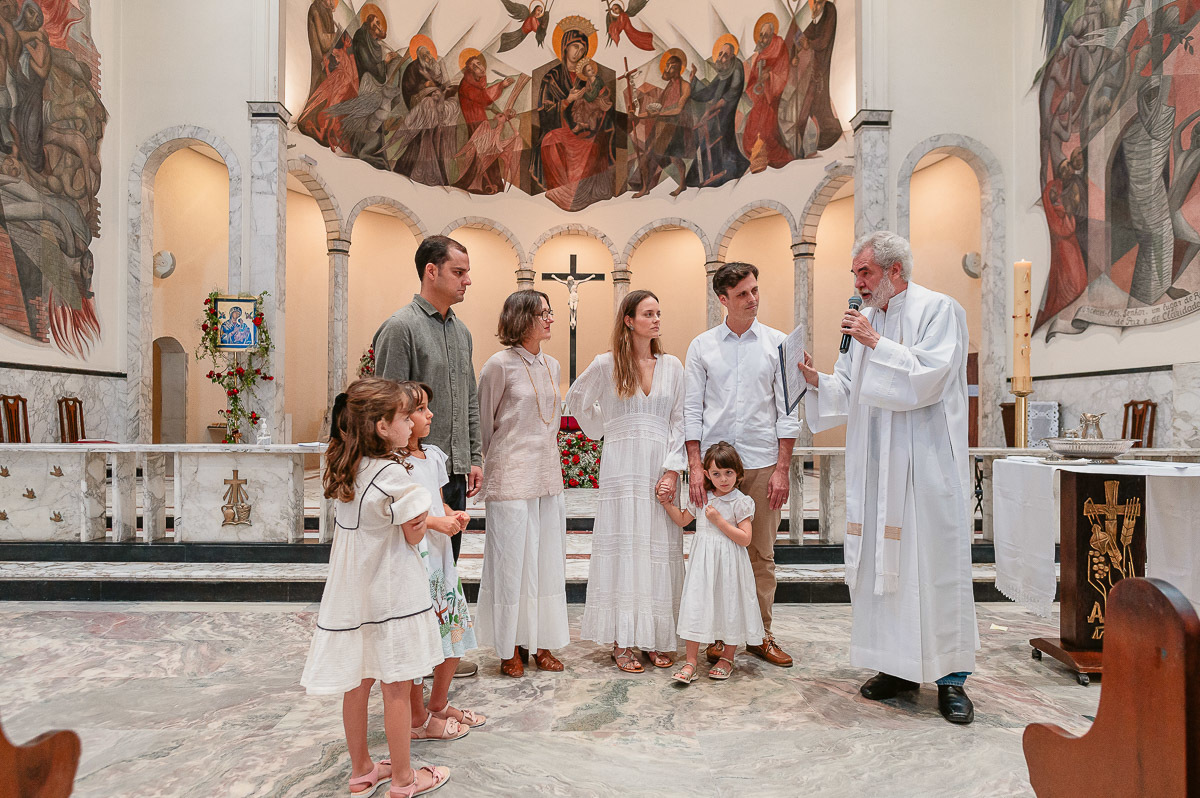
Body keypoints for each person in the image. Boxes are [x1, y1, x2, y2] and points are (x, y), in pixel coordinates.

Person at [798, 230, 979, 725]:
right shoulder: (866, 320)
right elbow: (851, 387)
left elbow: (930, 377)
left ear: (895, 270)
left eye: (865, 272)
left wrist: (875, 342)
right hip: (878, 462)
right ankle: (896, 668)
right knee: (883, 566)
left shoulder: (939, 310)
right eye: (856, 273)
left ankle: (950, 678)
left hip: (922, 465)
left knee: (931, 565)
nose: (857, 282)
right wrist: (818, 381)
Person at [300, 378, 450, 798]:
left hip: (351, 594)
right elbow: (414, 537)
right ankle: (404, 779)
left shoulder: (346, 465)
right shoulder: (393, 476)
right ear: (383, 427)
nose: (409, 425)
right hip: (390, 593)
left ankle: (362, 769)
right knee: (397, 686)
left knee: (357, 682)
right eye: (404, 418)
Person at [373, 235, 483, 679]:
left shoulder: (461, 331)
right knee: (411, 567)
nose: (467, 280)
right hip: (410, 472)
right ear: (431, 272)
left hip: (450, 469)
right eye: (459, 272)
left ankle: (438, 655)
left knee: (443, 567)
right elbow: (385, 406)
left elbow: (470, 400)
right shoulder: (400, 328)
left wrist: (473, 455)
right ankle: (408, 660)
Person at [683, 261, 799, 668]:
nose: (752, 299)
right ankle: (717, 636)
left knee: (761, 555)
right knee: (714, 553)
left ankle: (761, 634)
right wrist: (696, 468)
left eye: (754, 290)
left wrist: (783, 468)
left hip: (764, 462)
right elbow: (692, 411)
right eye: (742, 294)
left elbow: (788, 411)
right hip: (716, 469)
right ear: (722, 300)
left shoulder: (778, 344)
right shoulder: (702, 346)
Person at [565, 290, 687, 673]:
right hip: (621, 468)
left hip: (659, 465)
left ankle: (654, 638)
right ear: (629, 320)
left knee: (658, 547)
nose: (656, 320)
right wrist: (608, 428)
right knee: (625, 549)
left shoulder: (673, 366)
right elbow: (576, 400)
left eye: (658, 313)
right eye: (648, 314)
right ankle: (622, 641)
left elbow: (682, 421)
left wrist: (673, 469)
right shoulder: (606, 365)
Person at [475, 290, 569, 677]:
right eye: (542, 313)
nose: (550, 319)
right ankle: (509, 645)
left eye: (550, 312)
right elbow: (483, 423)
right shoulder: (498, 365)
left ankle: (541, 642)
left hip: (547, 475)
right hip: (510, 474)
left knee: (546, 561)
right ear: (521, 318)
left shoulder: (554, 365)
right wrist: (481, 466)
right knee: (511, 563)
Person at [402, 382, 487, 743]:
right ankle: (417, 717)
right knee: (420, 643)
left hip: (441, 557)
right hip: (418, 558)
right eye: (421, 410)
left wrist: (454, 515)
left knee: (453, 634)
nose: (430, 415)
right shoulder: (396, 465)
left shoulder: (433, 456)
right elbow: (411, 516)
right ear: (400, 419)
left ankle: (437, 703)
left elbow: (438, 505)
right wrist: (440, 523)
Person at [660, 442, 763, 683]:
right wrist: (667, 504)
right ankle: (691, 661)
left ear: (738, 473)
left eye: (728, 473)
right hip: (702, 564)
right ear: (706, 474)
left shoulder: (741, 502)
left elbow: (745, 538)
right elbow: (683, 521)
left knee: (730, 605)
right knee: (697, 605)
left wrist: (719, 521)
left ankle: (727, 657)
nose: (723, 479)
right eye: (716, 474)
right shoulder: (702, 498)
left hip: (730, 564)